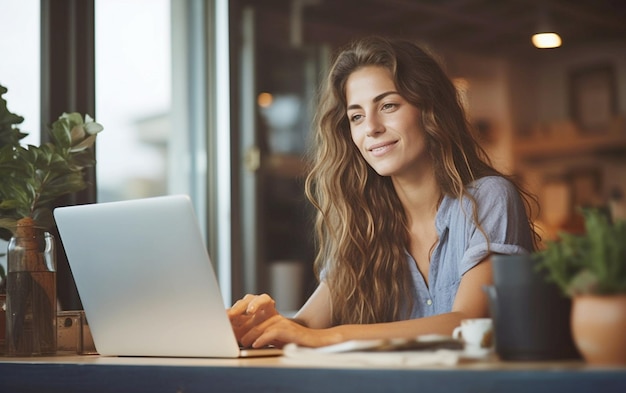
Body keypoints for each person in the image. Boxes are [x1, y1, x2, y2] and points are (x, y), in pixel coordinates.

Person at [228, 36, 538, 349]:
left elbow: (469, 322)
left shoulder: (488, 198)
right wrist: (258, 328)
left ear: (430, 110)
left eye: (388, 105)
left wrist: (331, 336)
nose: (371, 128)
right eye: (356, 116)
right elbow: (307, 326)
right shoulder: (362, 220)